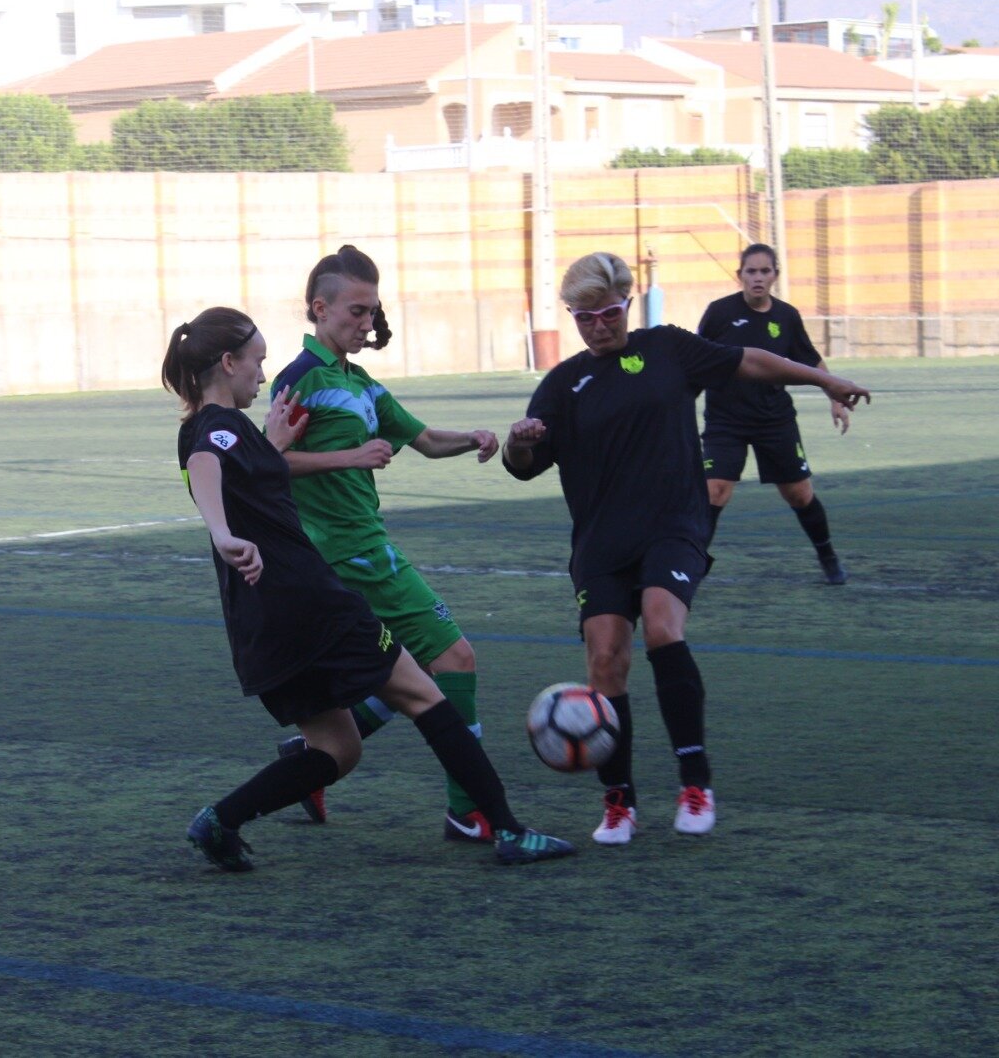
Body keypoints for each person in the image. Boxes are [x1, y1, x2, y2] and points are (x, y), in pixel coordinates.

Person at [165, 305, 574, 870]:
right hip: (312, 605)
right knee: (429, 692)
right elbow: (208, 466)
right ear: (228, 362)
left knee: (338, 748)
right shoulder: (218, 428)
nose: (263, 374)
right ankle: (506, 828)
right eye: (256, 362)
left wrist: (274, 448)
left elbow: (230, 470)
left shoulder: (215, 430)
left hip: (261, 625)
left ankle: (220, 820)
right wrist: (221, 533)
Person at [501, 252, 869, 845]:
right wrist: (520, 443)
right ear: (572, 317)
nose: (600, 326)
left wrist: (824, 379)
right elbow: (523, 467)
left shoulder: (668, 348)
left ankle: (695, 783)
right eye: (586, 317)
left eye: (610, 313)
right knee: (605, 659)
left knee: (662, 625)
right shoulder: (563, 385)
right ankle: (619, 801)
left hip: (674, 522)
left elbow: (748, 360)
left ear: (628, 303)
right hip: (601, 539)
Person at [270, 245, 506, 844]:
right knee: (455, 658)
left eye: (372, 311)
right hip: (352, 554)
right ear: (320, 309)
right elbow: (266, 464)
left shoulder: (360, 383)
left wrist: (472, 437)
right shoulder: (301, 381)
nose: (366, 323)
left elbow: (422, 439)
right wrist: (351, 454)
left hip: (353, 553)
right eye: (356, 310)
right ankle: (467, 808)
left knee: (402, 676)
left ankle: (307, 759)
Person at [699, 243, 851, 584]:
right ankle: (690, 567)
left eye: (764, 271)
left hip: (774, 419)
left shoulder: (786, 316)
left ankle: (828, 556)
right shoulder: (719, 313)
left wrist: (835, 396)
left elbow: (810, 360)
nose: (758, 278)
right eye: (751, 271)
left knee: (799, 494)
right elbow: (695, 359)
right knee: (714, 491)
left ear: (775, 276)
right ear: (739, 276)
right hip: (726, 420)